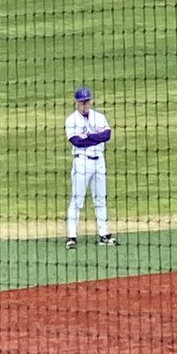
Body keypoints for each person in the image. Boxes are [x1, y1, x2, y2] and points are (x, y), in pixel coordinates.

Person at [65, 86, 117, 247]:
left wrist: (89, 137)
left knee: (101, 199)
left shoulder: (99, 117)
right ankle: (72, 237)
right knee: (77, 200)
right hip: (82, 162)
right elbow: (76, 141)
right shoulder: (71, 120)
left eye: (87, 101)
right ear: (77, 103)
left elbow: (106, 135)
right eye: (82, 102)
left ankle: (104, 234)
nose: (85, 104)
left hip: (99, 162)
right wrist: (95, 138)